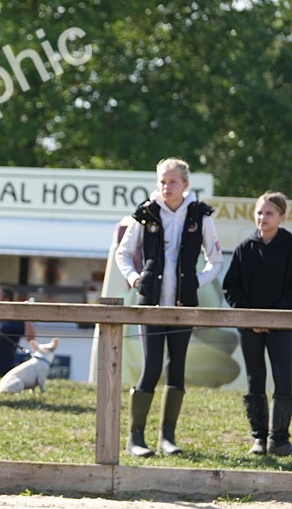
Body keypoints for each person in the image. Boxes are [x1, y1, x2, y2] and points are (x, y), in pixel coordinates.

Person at [115, 157, 223, 457]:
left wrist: (196, 282)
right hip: (150, 304)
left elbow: (216, 260)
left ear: (185, 184)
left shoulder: (200, 214)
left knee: (176, 369)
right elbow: (123, 254)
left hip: (183, 305)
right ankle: (135, 438)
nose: (166, 187)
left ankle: (167, 438)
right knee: (150, 368)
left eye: (172, 181)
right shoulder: (146, 213)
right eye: (162, 181)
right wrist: (135, 279)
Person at [223, 191, 292, 456]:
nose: (263, 218)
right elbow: (231, 287)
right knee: (255, 379)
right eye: (260, 213)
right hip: (249, 327)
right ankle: (259, 438)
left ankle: (279, 439)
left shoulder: (290, 246)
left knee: (285, 379)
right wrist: (250, 316)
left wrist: (273, 317)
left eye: (269, 213)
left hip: (283, 326)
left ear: (282, 217)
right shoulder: (245, 248)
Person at [0, 285, 36, 376]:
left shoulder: (14, 320)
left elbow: (31, 337)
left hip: (5, 367)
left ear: (6, 300)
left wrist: (26, 315)